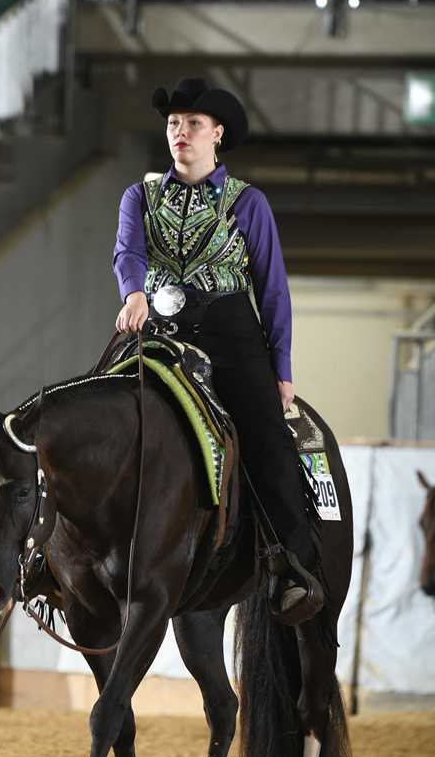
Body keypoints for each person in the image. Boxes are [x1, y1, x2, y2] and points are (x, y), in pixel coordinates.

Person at [112, 77, 323, 625]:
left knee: (267, 438)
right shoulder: (139, 196)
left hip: (232, 335)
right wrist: (133, 293)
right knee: (102, 409)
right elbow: (127, 252)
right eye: (173, 123)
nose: (180, 132)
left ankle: (293, 566)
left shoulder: (248, 202)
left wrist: (281, 369)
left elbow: (273, 290)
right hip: (157, 329)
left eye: (193, 124)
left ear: (217, 134)